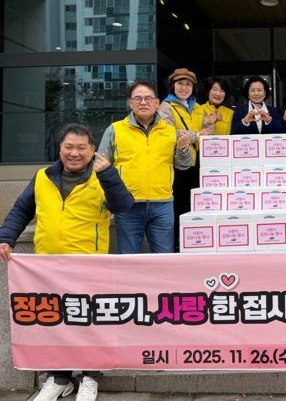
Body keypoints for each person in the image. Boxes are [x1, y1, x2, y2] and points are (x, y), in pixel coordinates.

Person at [0, 124, 134, 401]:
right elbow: (21, 210)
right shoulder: (42, 177)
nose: (74, 153)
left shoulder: (103, 176)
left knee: (89, 321)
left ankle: (89, 376)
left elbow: (123, 205)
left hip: (89, 264)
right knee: (54, 320)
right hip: (48, 266)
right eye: (69, 147)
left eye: (81, 148)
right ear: (59, 148)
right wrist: (6, 237)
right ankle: (59, 378)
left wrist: (108, 174)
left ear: (92, 150)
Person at [98, 81, 192, 254]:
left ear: (157, 103)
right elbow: (100, 167)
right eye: (138, 98)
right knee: (129, 258)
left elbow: (183, 165)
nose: (143, 102)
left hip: (162, 205)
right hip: (127, 205)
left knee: (164, 258)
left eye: (148, 98)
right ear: (130, 103)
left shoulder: (171, 131)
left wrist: (183, 149)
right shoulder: (115, 130)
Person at [157, 68, 205, 252]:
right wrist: (198, 135)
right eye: (180, 84)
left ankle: (195, 242)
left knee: (195, 206)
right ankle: (179, 245)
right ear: (172, 86)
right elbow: (171, 133)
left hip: (198, 164)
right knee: (180, 207)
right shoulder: (165, 107)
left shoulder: (198, 107)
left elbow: (208, 132)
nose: (184, 88)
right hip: (177, 164)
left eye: (188, 84)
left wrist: (206, 128)